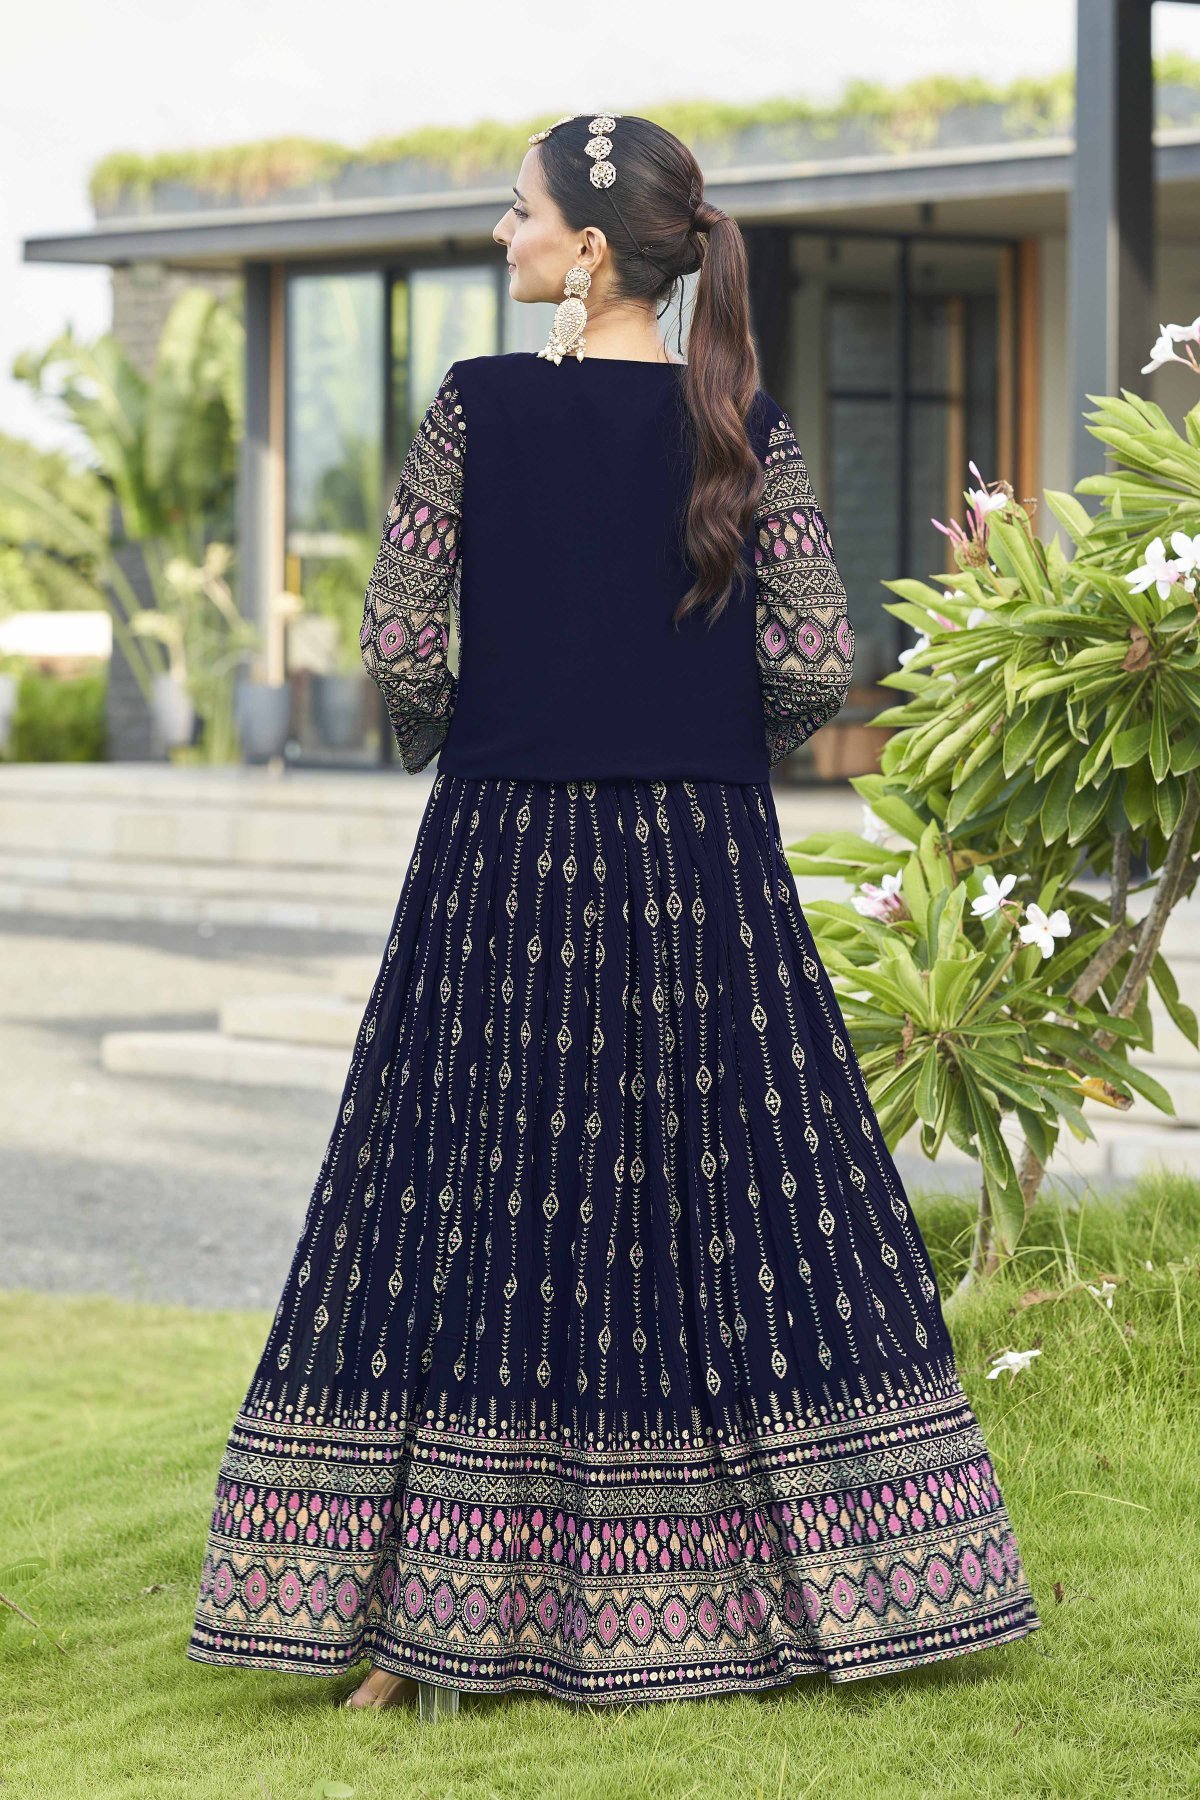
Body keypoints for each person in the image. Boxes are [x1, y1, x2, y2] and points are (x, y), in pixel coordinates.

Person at [187, 111, 1039, 1714]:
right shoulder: (745, 424)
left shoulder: (476, 408)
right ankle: (819, 1594)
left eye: (515, 215)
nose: (498, 236)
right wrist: (700, 735)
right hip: (704, 865)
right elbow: (815, 657)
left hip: (504, 856)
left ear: (587, 252)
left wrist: (463, 729)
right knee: (735, 1213)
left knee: (472, 1205)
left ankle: (427, 1621)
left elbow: (400, 639)